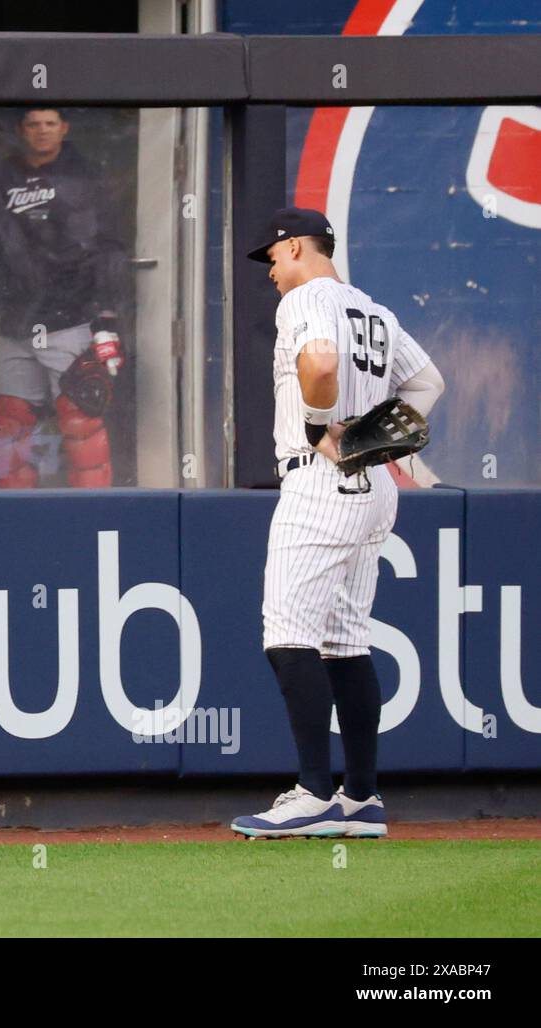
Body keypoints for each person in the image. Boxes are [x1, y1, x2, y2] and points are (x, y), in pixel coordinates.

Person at [231, 208, 445, 839]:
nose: (270, 272)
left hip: (322, 476)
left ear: (295, 246)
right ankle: (361, 798)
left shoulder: (306, 299)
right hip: (374, 483)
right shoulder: (371, 308)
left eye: (272, 258)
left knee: (287, 633)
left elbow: (320, 365)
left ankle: (313, 793)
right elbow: (428, 382)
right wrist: (376, 436)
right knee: (345, 640)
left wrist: (324, 426)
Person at [0, 107, 128, 488]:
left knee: (81, 418)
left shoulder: (85, 175)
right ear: (20, 130)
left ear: (64, 128)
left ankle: (93, 514)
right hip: (14, 319)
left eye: (49, 124)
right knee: (10, 422)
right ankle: (14, 514)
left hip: (70, 316)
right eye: (33, 124)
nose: (42, 132)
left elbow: (108, 245)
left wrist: (105, 316)